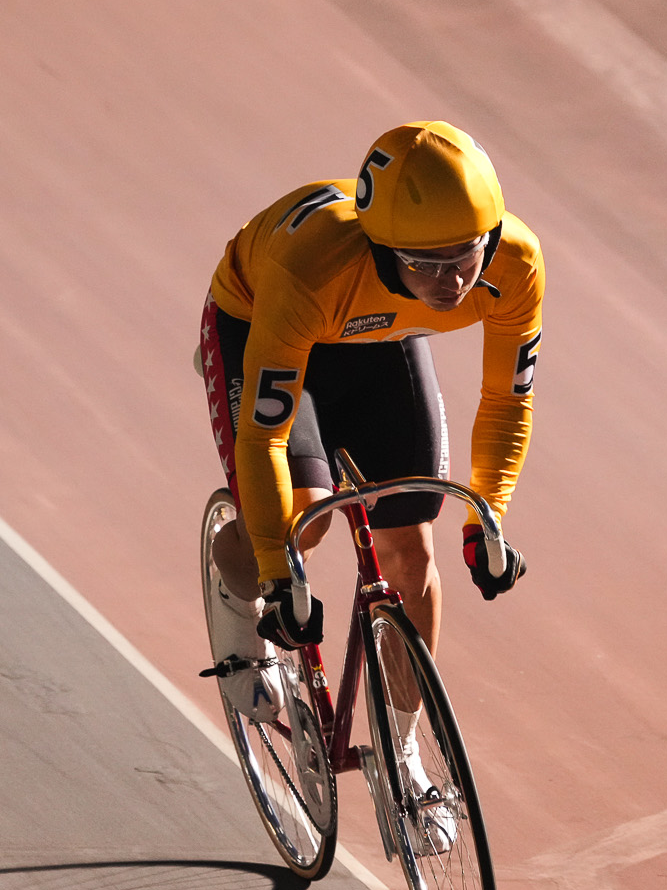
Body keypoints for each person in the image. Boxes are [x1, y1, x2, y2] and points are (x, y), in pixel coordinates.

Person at [194, 121, 537, 729]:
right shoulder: (312, 266)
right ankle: (235, 600)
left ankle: (404, 754)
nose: (453, 282)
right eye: (426, 264)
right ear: (380, 248)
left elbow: (507, 402)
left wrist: (489, 518)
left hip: (377, 328)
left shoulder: (514, 264)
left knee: (409, 537)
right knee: (306, 517)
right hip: (265, 320)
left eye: (465, 254)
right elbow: (265, 435)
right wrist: (276, 575)